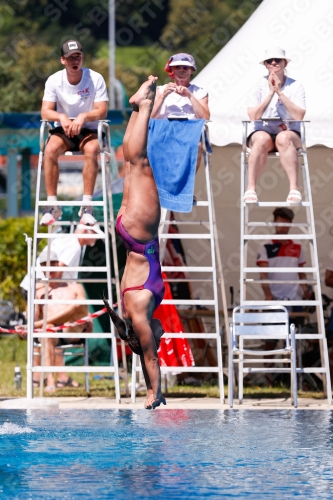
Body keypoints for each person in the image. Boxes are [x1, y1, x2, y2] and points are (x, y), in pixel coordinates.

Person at [104, 76, 166, 410]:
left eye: (158, 336)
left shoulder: (140, 315)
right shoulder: (131, 305)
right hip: (128, 230)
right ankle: (137, 107)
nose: (161, 335)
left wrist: (154, 392)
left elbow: (149, 357)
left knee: (140, 161)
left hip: (141, 234)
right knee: (132, 163)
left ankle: (144, 105)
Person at [40, 39, 108, 226]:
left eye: (77, 56)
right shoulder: (54, 80)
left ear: (82, 58)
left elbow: (102, 111)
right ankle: (52, 206)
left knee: (92, 150)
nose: (74, 61)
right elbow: (45, 111)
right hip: (63, 130)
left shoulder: (95, 78)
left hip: (89, 130)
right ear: (63, 60)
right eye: (70, 58)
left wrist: (83, 117)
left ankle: (87, 207)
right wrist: (62, 117)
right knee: (50, 150)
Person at [244, 47, 306, 205]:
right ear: (265, 65)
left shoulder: (296, 86)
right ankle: (251, 188)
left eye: (277, 60)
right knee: (261, 139)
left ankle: (294, 188)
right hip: (263, 132)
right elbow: (253, 115)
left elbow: (299, 115)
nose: (273, 63)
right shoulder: (258, 85)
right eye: (269, 61)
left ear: (285, 63)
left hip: (289, 133)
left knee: (284, 138)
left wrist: (279, 92)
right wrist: (270, 93)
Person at [33, 250, 92, 392]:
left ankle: (42, 325)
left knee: (77, 304)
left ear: (59, 266)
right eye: (46, 265)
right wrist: (34, 298)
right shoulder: (39, 292)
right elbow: (33, 317)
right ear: (42, 269)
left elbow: (84, 312)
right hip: (51, 331)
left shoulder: (74, 287)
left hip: (72, 330)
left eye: (53, 264)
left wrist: (89, 323)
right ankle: (51, 380)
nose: (51, 268)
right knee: (47, 329)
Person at [151, 53, 209, 173]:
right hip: (165, 132)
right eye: (177, 67)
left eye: (185, 67)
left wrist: (189, 95)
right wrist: (163, 96)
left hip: (189, 133)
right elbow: (151, 117)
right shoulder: (160, 90)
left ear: (191, 70)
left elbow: (205, 117)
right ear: (172, 69)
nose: (181, 70)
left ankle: (187, 185)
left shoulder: (200, 92)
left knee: (197, 146)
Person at [20, 223, 102, 298]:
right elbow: (57, 270)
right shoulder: (74, 244)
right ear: (85, 231)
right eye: (95, 233)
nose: (97, 238)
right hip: (38, 288)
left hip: (33, 285)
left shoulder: (69, 239)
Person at [256, 207, 312, 305]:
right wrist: (268, 295)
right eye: (280, 223)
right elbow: (263, 274)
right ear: (274, 223)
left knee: (299, 320)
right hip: (275, 299)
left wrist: (305, 289)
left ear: (290, 224)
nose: (283, 227)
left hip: (295, 298)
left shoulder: (297, 246)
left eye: (286, 223)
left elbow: (301, 272)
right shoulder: (265, 246)